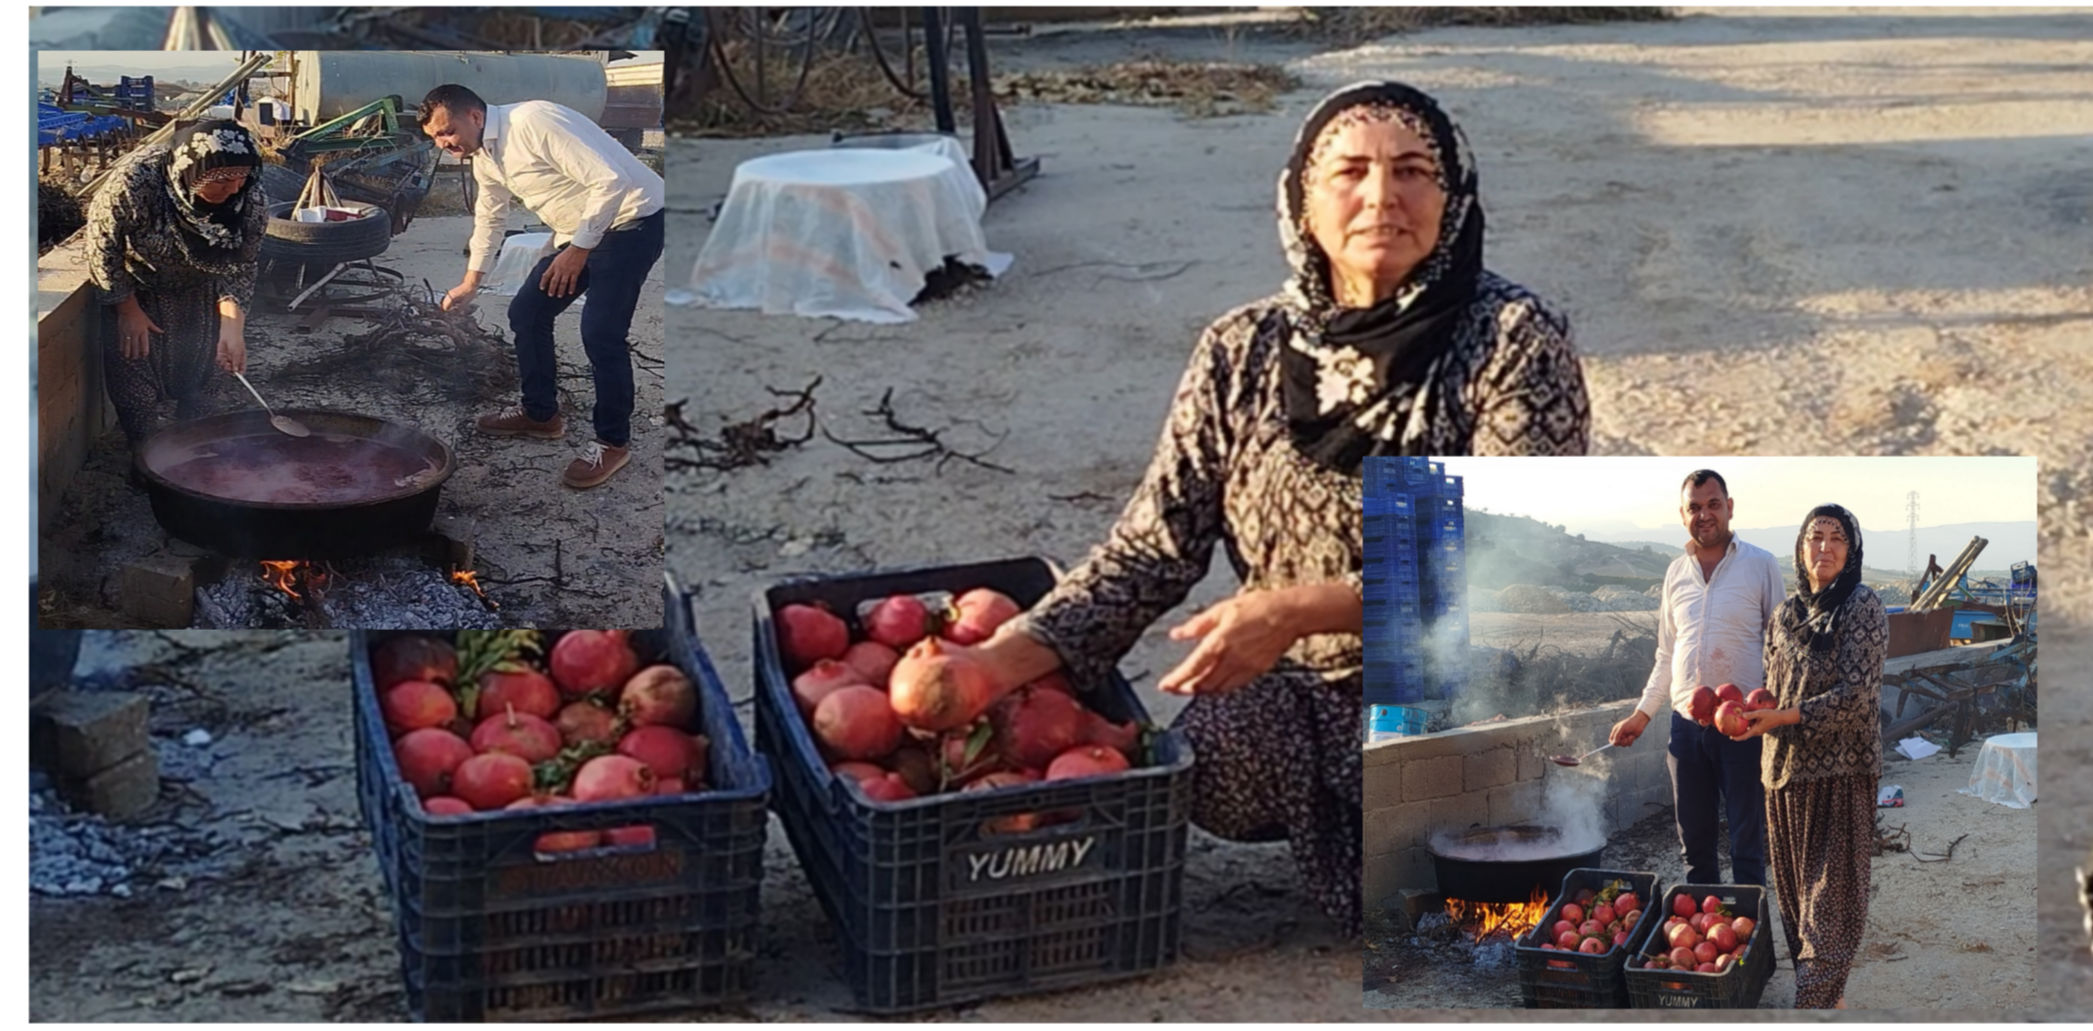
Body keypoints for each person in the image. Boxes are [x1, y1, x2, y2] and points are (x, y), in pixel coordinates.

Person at [952, 81, 1586, 939]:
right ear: (1300, 198)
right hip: (1315, 694)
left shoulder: (1512, 337)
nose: (1381, 196)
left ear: (1453, 194)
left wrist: (1297, 610)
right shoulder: (1240, 349)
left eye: (1412, 171)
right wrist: (992, 664)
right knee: (1213, 758)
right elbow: (1152, 547)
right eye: (1349, 172)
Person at [419, 84, 666, 490]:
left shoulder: (534, 121)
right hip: (581, 231)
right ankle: (540, 414)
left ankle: (612, 442)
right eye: (435, 138)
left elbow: (611, 180)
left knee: (601, 332)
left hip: (633, 221)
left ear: (474, 116)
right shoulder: (486, 158)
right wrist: (470, 282)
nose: (443, 143)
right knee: (527, 313)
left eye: (447, 131)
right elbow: (490, 219)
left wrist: (577, 251)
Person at [1728, 504, 1887, 1009]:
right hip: (1783, 779)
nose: (1824, 547)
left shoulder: (1862, 606)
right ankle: (1828, 1003)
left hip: (1841, 775)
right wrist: (1748, 716)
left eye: (1837, 538)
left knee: (1827, 911)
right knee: (1798, 914)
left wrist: (1784, 717)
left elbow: (1857, 696)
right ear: (1800, 549)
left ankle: (1813, 1003)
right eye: (1815, 537)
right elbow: (1772, 690)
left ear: (1851, 550)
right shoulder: (1785, 616)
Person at [1609, 469, 1786, 888]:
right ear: (1682, 514)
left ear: (1729, 508)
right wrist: (1642, 714)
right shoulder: (1675, 573)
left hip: (1744, 725)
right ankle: (1705, 926)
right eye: (1694, 507)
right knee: (1695, 846)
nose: (1704, 514)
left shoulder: (1760, 565)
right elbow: (1667, 655)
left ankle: (1749, 926)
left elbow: (1781, 648)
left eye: (1713, 504)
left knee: (1747, 842)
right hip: (1686, 728)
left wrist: (1775, 713)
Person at [84, 120, 266, 458]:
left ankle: (195, 453)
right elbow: (101, 245)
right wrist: (127, 310)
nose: (233, 189)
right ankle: (146, 456)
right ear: (191, 174)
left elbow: (242, 264)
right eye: (221, 181)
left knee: (211, 370)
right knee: (134, 375)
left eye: (241, 178)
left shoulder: (249, 197)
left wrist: (232, 327)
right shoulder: (136, 182)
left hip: (204, 288)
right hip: (139, 288)